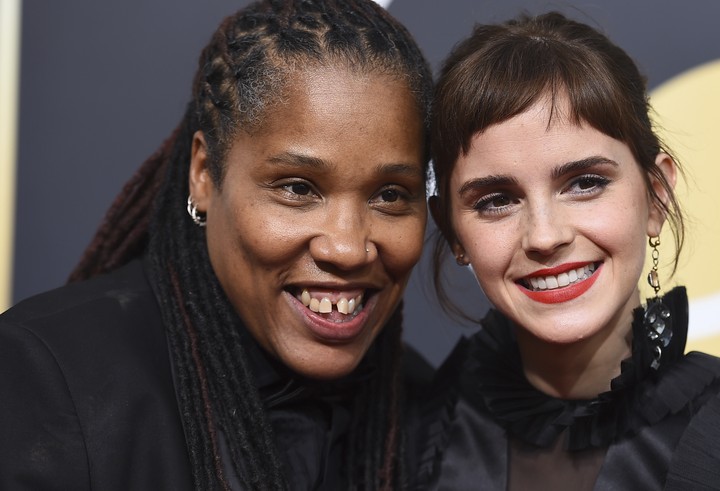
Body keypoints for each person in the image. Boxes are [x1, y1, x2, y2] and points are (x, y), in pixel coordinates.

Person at [419, 11, 720, 490]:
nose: (544, 236)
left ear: (657, 195)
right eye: (496, 200)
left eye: (585, 183)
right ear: (452, 231)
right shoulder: (407, 435)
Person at [0, 0, 433, 489]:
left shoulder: (430, 415)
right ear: (204, 175)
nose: (349, 248)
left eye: (391, 195)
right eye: (297, 188)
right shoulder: (50, 380)